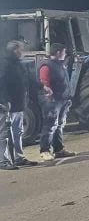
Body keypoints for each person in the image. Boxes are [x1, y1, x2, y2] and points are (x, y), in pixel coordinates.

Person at [0, 40, 36, 169]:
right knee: (3, 134)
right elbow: (2, 84)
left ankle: (18, 158)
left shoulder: (19, 64)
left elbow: (26, 81)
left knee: (17, 132)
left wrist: (41, 87)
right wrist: (4, 101)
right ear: (15, 50)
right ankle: (3, 161)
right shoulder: (5, 64)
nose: (23, 52)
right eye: (21, 50)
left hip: (19, 105)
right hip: (6, 106)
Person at [37, 43, 76, 160]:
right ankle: (44, 150)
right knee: (50, 125)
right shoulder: (47, 66)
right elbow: (44, 82)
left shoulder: (59, 65)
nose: (65, 54)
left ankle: (59, 149)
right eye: (64, 52)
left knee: (59, 124)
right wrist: (48, 94)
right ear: (58, 52)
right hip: (52, 100)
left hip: (62, 100)